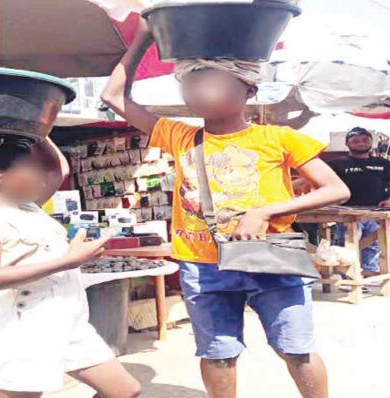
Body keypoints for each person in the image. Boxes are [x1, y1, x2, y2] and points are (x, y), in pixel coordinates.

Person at [101, 18, 350, 398]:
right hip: (202, 264)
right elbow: (114, 98)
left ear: (248, 88)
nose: (196, 91)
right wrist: (143, 39)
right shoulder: (179, 136)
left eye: (210, 82)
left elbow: (335, 189)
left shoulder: (278, 137)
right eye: (189, 83)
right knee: (217, 354)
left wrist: (265, 212)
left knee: (295, 349)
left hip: (270, 258)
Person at [0, 137, 141, 398]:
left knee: (126, 392)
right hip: (22, 329)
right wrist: (68, 261)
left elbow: (57, 170)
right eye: (31, 168)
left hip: (68, 322)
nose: (41, 176)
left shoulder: (27, 208)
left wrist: (38, 130)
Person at [327, 127, 390, 277]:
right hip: (346, 212)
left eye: (365, 140)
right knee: (347, 245)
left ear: (371, 142)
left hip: (376, 212)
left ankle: (368, 274)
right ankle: (348, 276)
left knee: (375, 245)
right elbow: (323, 185)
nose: (360, 143)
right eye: (355, 141)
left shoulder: (383, 163)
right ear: (347, 143)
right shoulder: (336, 164)